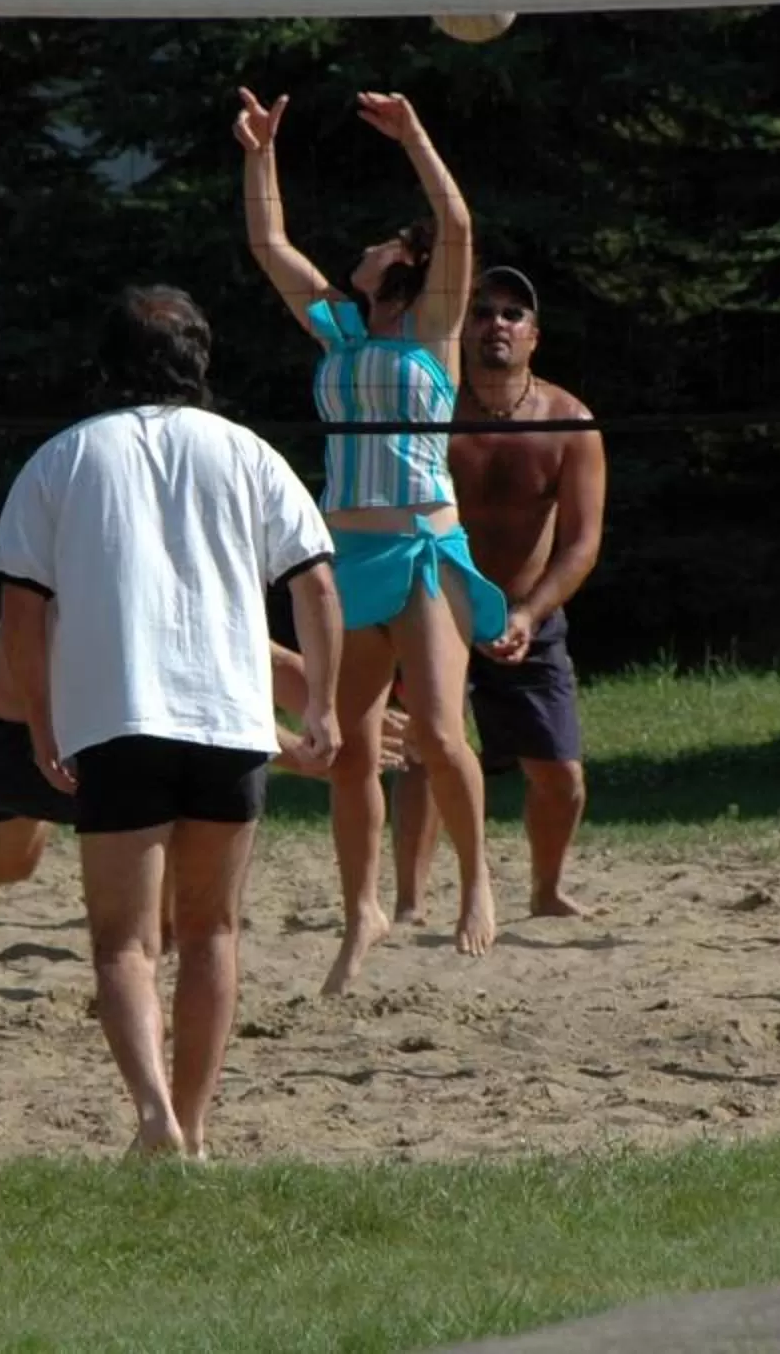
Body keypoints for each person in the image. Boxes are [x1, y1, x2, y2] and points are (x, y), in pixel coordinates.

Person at [0, 285, 340, 1159]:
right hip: (229, 719)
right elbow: (317, 585)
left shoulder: (63, 458)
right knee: (213, 930)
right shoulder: (247, 452)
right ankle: (199, 1124)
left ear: (107, 362)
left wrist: (39, 720)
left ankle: (153, 1113)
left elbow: (20, 610)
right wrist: (324, 703)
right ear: (201, 360)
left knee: (124, 941)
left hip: (117, 719)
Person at [236, 86, 509, 996]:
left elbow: (458, 219)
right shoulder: (339, 332)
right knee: (347, 751)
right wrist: (260, 155)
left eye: (382, 242)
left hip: (424, 554)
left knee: (434, 730)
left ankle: (476, 885)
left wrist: (415, 134)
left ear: (405, 261)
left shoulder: (433, 329)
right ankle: (363, 911)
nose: (361, 246)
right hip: (347, 560)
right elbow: (270, 246)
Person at [0, 630, 400, 922]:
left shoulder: (182, 574)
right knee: (171, 806)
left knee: (0, 864)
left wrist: (354, 719)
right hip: (0, 740)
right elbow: (174, 704)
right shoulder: (116, 579)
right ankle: (161, 938)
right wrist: (305, 752)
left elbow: (267, 659)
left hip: (25, 731)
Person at [391, 265, 608, 922]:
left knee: (561, 776)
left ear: (534, 336)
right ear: (464, 328)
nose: (496, 325)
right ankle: (408, 901)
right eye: (482, 311)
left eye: (512, 314)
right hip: (439, 607)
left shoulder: (568, 420)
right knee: (428, 751)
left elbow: (581, 543)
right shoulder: (432, 412)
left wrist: (527, 613)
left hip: (527, 614)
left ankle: (544, 889)